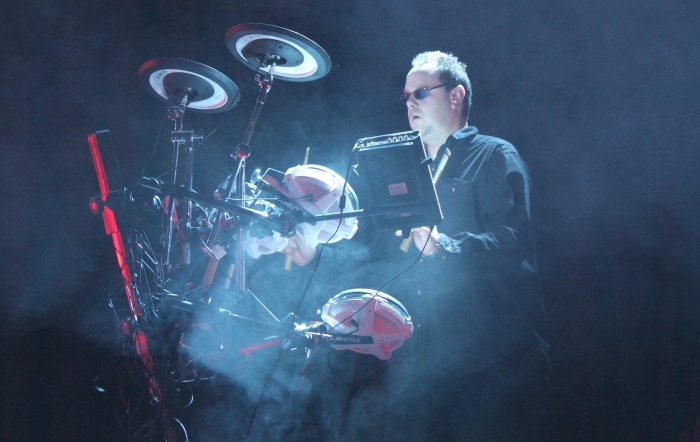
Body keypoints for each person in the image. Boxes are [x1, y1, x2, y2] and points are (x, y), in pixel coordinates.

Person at [359, 51, 551, 441]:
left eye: (421, 92)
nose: (410, 103)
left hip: (491, 362)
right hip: (422, 362)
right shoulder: (407, 169)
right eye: (406, 96)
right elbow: (381, 256)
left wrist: (445, 247)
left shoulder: (495, 154)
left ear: (455, 96)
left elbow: (512, 241)